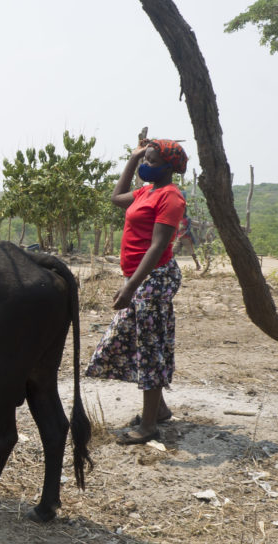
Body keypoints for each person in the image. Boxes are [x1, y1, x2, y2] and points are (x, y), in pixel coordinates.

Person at [85, 138, 188, 445]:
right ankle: (159, 410)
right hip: (141, 278)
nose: (147, 165)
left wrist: (131, 286)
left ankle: (148, 427)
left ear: (170, 168)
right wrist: (133, 158)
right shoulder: (147, 191)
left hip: (153, 278)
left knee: (149, 346)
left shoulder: (171, 197)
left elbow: (158, 247)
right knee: (134, 340)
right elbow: (117, 197)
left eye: (153, 161)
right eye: (147, 159)